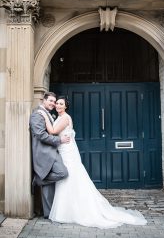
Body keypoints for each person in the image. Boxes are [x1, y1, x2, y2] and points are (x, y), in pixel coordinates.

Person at [38, 95, 147, 228]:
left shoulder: (65, 117)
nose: (58, 105)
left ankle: (76, 211)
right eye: (57, 103)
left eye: (61, 104)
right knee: (67, 178)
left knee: (70, 177)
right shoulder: (59, 117)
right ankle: (67, 210)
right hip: (63, 150)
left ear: (66, 106)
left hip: (68, 152)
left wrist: (43, 116)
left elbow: (53, 131)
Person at [29, 92, 70, 219]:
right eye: (51, 101)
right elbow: (41, 135)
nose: (53, 104)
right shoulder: (37, 114)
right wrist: (59, 140)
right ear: (44, 100)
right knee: (63, 173)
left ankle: (48, 212)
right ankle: (39, 180)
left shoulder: (48, 114)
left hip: (52, 151)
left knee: (49, 185)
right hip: (45, 153)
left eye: (55, 101)